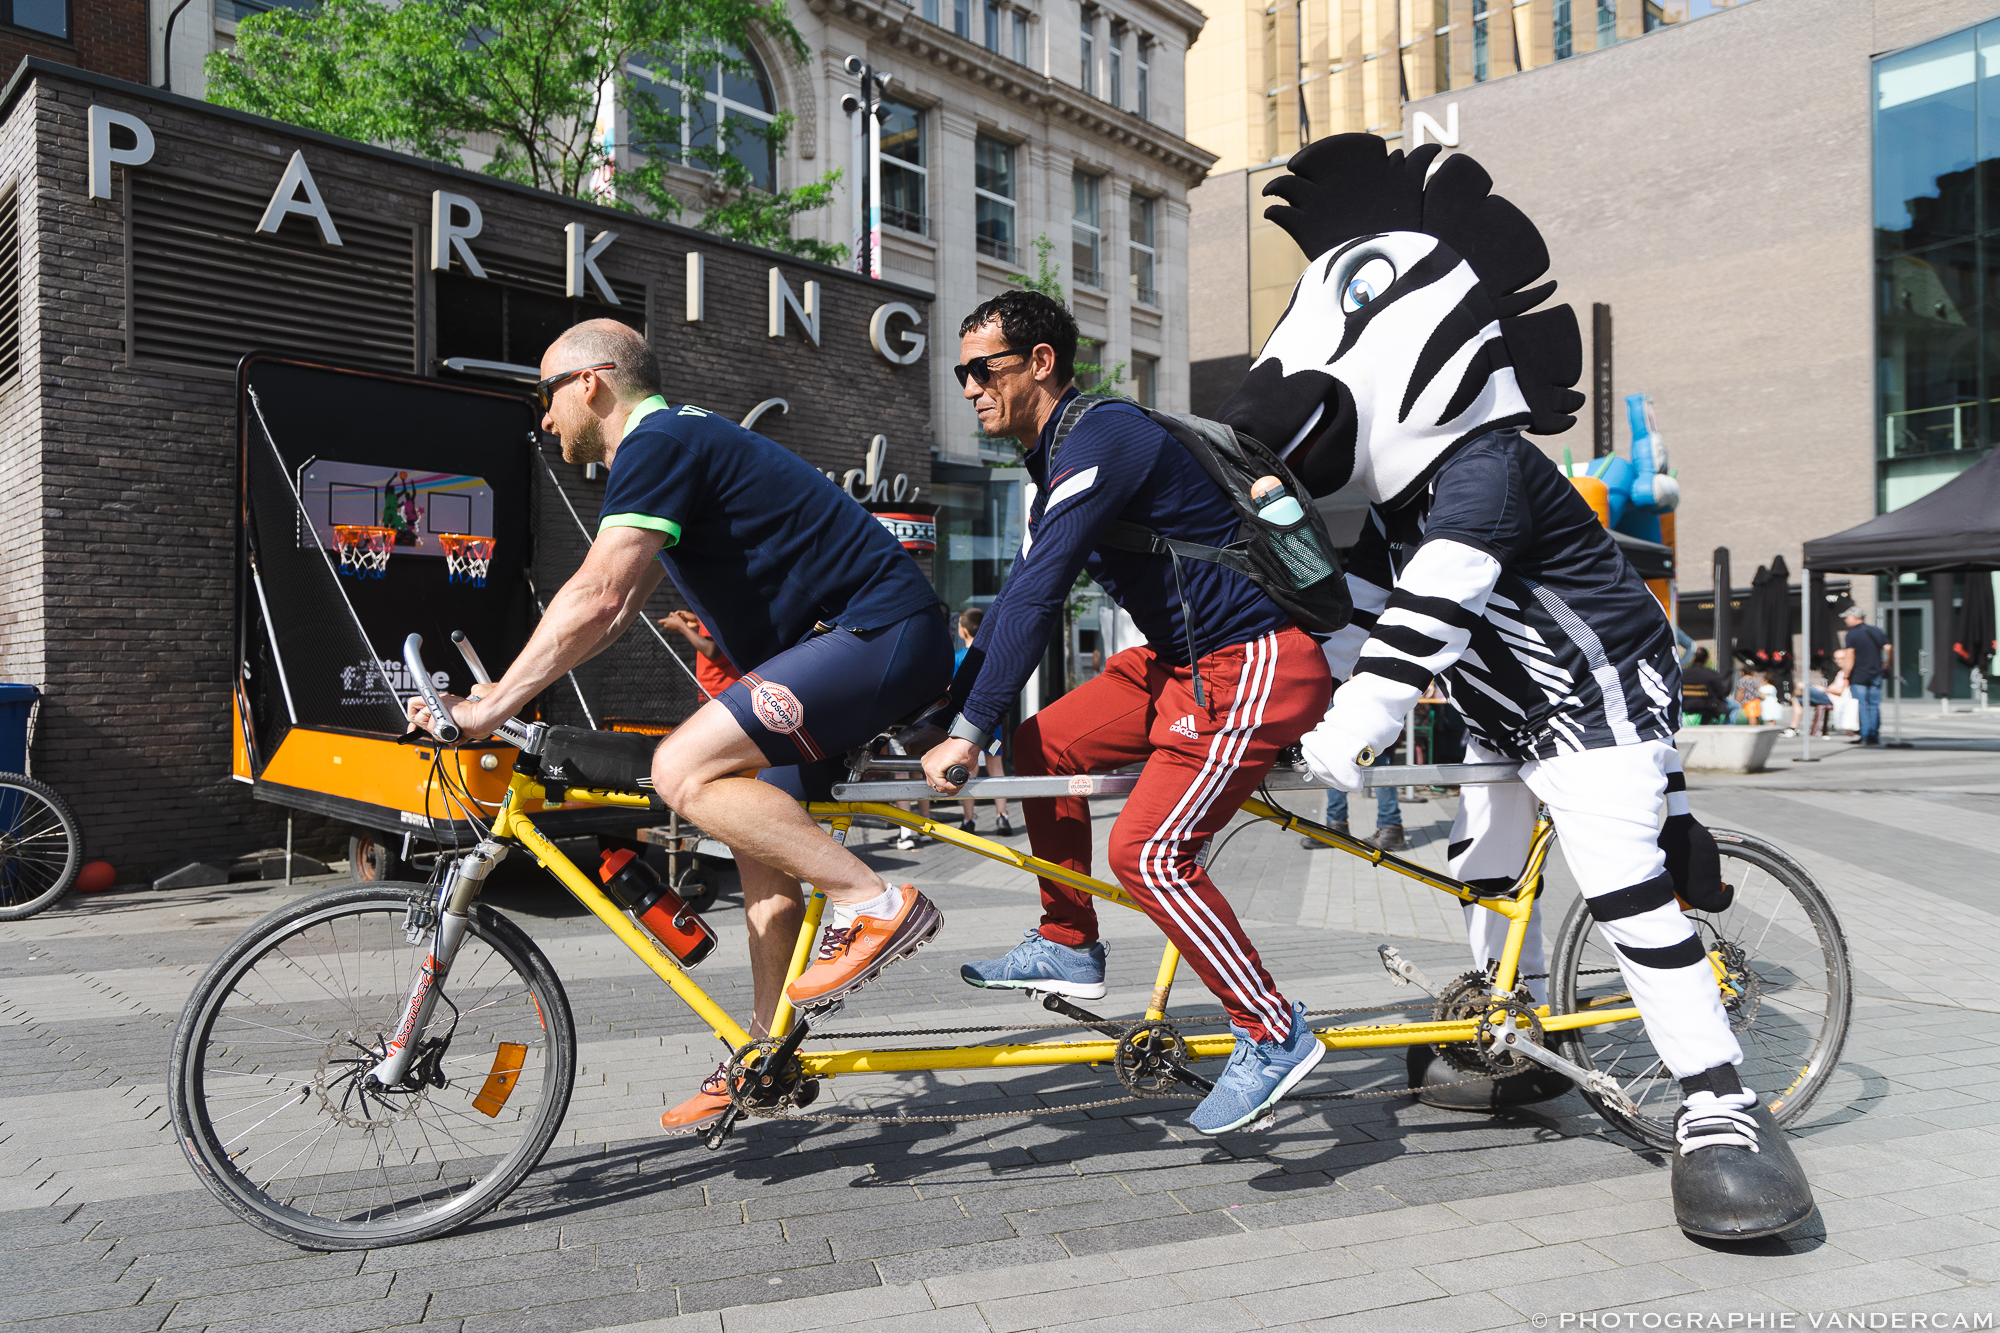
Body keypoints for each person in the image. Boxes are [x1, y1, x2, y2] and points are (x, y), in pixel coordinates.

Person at [1215, 133, 1811, 1238]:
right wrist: (1278, 621)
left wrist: (1357, 718)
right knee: (1483, 863)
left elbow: (1436, 601)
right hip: (1506, 709)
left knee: (1617, 875)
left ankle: (1722, 1103)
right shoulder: (1398, 505)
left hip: (1593, 692)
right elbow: (1361, 612)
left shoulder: (1485, 466)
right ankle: (1507, 1024)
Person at [404, 318, 955, 1135]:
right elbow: (615, 606)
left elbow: (598, 596)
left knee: (680, 771)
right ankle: (765, 1058)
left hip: (878, 633)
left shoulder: (656, 440)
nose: (544, 420)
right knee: (760, 850)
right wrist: (512, 689)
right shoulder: (678, 441)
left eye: (545, 399)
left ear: (590, 382)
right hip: (838, 647)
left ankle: (875, 900)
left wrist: (489, 708)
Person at [921, 290, 1334, 1137]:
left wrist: (967, 734)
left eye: (982, 368)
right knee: (1042, 742)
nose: (968, 386)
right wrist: (946, 713)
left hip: (1252, 660)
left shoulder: (1106, 435)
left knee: (1147, 850)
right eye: (960, 371)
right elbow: (1011, 604)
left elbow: (1040, 594)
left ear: (1041, 362)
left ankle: (1271, 1028)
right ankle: (1067, 939)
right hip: (1180, 662)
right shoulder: (1055, 460)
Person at [952, 608, 1012, 836]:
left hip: (965, 723)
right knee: (996, 766)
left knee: (969, 768)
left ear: (963, 630)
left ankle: (968, 820)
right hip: (992, 721)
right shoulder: (993, 657)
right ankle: (1002, 817)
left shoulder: (958, 658)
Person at [658, 609, 742, 698]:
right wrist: (698, 620)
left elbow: (711, 650)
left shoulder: (714, 609)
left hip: (720, 689)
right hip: (723, 687)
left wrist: (681, 627)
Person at [1837, 606, 1891, 745]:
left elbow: (1850, 656)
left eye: (1847, 617)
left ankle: (1865, 735)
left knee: (1862, 705)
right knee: (1874, 705)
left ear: (1855, 617)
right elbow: (1889, 647)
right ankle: (1874, 734)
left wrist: (1846, 675)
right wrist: (1888, 663)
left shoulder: (1852, 634)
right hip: (1876, 673)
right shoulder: (1876, 630)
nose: (1845, 620)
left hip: (1859, 675)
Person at [1679, 647, 1740, 724]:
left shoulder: (1683, 673)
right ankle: (1728, 729)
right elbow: (1723, 692)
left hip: (1685, 705)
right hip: (1708, 705)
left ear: (1694, 658)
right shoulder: (1710, 674)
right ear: (1705, 659)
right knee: (1736, 706)